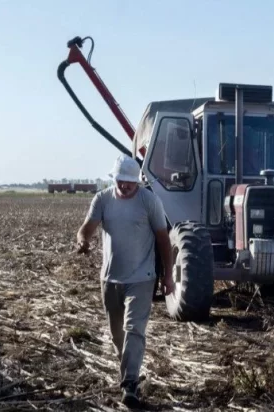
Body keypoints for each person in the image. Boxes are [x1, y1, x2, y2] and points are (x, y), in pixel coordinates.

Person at [75, 154, 174, 408]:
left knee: (134, 330)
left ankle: (130, 384)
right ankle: (128, 371)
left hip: (142, 278)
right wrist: (83, 240)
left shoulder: (149, 202)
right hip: (110, 279)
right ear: (115, 178)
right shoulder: (103, 199)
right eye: (121, 181)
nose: (125, 186)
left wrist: (168, 276)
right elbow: (87, 228)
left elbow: (164, 240)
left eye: (130, 182)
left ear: (138, 182)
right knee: (117, 335)